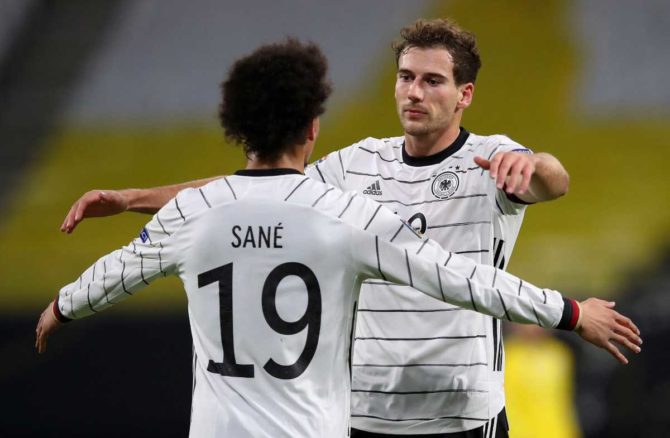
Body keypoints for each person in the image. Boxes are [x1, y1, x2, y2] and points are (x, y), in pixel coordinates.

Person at [57, 20, 638, 438]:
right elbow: (251, 189)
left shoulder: (492, 158)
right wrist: (133, 198)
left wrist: (534, 164)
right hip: (364, 412)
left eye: (432, 81)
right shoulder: (357, 163)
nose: (413, 92)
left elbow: (552, 182)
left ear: (465, 95)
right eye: (406, 77)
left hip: (460, 411)